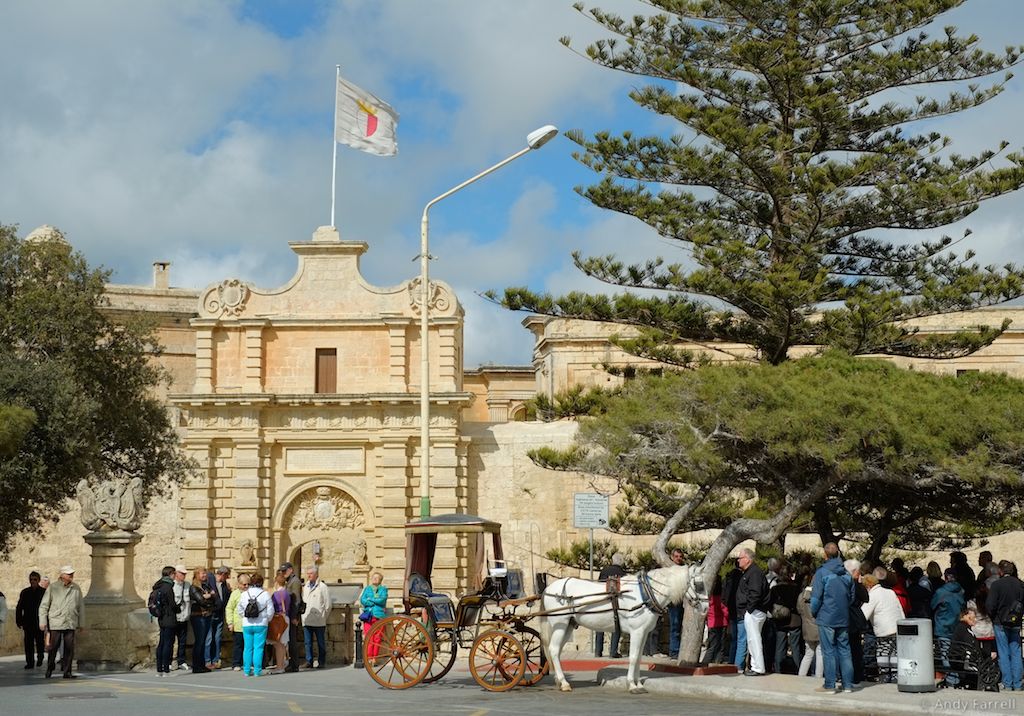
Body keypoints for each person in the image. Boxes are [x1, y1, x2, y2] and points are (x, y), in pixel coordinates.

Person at [810, 542, 856, 694]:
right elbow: (852, 597)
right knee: (845, 650)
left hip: (826, 616)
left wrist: (815, 612)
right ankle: (848, 684)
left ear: (825, 555)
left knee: (828, 651)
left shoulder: (821, 573)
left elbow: (816, 598)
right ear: (838, 554)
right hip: (843, 616)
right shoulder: (847, 574)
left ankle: (830, 685)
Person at [38, 565, 84, 679]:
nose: (71, 576)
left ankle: (67, 671)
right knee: (53, 647)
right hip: (56, 621)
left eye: (72, 573)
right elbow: (44, 606)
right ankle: (50, 668)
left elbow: (81, 606)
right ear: (62, 575)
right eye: (69, 574)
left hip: (70, 621)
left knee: (69, 647)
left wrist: (81, 623)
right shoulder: (53, 587)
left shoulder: (76, 588)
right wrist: (42, 621)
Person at [986, 559, 1024, 691]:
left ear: (1000, 571)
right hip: (1016, 622)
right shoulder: (1020, 584)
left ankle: (1007, 683)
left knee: (1003, 652)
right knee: (1016, 652)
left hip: (1000, 622)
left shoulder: (997, 585)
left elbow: (990, 605)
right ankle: (1018, 683)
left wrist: (993, 616)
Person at [861, 573, 904, 681]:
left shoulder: (872, 595)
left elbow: (863, 615)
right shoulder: (890, 592)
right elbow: (900, 609)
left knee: (883, 654)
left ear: (868, 586)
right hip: (898, 627)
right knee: (895, 654)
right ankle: (895, 677)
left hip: (884, 631)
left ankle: (884, 677)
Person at [733, 547, 769, 676]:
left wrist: (749, 609)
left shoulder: (754, 573)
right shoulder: (751, 572)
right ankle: (755, 666)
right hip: (753, 610)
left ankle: (758, 667)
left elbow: (755, 593)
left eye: (740, 558)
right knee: (752, 640)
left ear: (747, 559)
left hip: (754, 611)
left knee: (754, 640)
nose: (738, 560)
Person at [237, 573, 273, 677]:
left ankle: (247, 670)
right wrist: (267, 619)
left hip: (247, 624)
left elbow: (239, 609)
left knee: (247, 647)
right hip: (261, 623)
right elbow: (270, 610)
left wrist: (244, 616)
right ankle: (257, 670)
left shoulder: (244, 594)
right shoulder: (265, 594)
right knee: (259, 647)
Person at [769, 564, 802, 673]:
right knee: (795, 647)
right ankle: (797, 670)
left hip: (780, 620)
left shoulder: (775, 589)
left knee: (779, 647)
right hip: (795, 619)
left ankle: (778, 670)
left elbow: (770, 604)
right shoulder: (796, 588)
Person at [595, 553, 626, 658]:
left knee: (599, 625)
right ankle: (613, 652)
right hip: (616, 603)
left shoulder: (604, 570)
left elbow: (598, 585)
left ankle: (598, 651)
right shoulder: (622, 573)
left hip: (602, 601)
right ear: (622, 562)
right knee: (616, 626)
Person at [190, 567, 219, 672]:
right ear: (197, 575)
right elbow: (201, 601)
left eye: (205, 574)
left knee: (203, 641)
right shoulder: (194, 587)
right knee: (199, 641)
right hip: (198, 616)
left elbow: (214, 598)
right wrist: (208, 597)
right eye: (202, 574)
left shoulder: (205, 586)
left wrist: (209, 596)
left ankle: (202, 665)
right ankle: (196, 666)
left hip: (207, 615)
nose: (205, 575)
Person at [302, 565, 331, 669]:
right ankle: (309, 661)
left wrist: (323, 616)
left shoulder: (323, 587)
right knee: (307, 642)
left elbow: (328, 605)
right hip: (307, 618)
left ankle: (321, 661)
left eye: (311, 573)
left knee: (320, 642)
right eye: (308, 573)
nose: (309, 575)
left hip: (319, 619)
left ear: (316, 574)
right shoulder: (305, 586)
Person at [15, 571, 45, 669]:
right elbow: (19, 607)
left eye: (35, 579)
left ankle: (40, 657)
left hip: (39, 622)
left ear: (39, 580)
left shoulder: (43, 592)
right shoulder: (25, 592)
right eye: (31, 579)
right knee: (28, 644)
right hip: (28, 622)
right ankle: (30, 662)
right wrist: (18, 620)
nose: (33, 581)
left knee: (40, 642)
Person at [152, 566, 178, 676]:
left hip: (161, 617)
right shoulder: (168, 587)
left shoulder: (159, 585)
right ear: (170, 574)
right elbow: (172, 605)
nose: (175, 576)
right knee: (168, 644)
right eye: (174, 574)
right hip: (169, 618)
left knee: (161, 643)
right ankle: (166, 670)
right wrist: (179, 607)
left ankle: (159, 669)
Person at [796, 569, 822, 677]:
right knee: (820, 653)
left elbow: (799, 610)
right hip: (819, 626)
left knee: (808, 653)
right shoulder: (820, 595)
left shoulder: (801, 595)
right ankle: (818, 676)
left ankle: (801, 675)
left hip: (807, 627)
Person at [279, 562, 303, 672]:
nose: (283, 573)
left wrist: (294, 617)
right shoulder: (290, 581)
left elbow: (296, 601)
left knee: (292, 640)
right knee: (289, 640)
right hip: (289, 614)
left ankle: (294, 665)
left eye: (285, 571)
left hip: (293, 615)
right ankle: (292, 663)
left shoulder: (295, 582)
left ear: (291, 570)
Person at [267, 571, 291, 673]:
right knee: (283, 643)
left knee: (278, 644)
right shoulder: (287, 593)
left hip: (278, 619)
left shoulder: (276, 594)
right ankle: (282, 664)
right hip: (286, 618)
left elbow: (271, 607)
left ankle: (279, 666)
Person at [361, 571, 388, 659]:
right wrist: (373, 601)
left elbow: (382, 600)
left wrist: (371, 599)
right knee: (369, 637)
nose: (374, 579)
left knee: (377, 638)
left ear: (380, 580)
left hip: (379, 616)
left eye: (377, 578)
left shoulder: (383, 589)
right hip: (368, 616)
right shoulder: (367, 589)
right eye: (373, 577)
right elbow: (363, 600)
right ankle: (369, 657)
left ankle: (375, 658)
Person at [225, 573, 250, 671]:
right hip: (238, 624)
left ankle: (247, 663)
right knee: (238, 645)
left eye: (248, 584)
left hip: (249, 624)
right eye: (244, 584)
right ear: (239, 584)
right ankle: (236, 663)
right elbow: (229, 608)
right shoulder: (235, 594)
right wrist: (230, 622)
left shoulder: (250, 592)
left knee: (248, 645)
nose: (246, 586)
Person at [208, 565, 231, 669]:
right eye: (227, 576)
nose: (228, 578)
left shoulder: (224, 585)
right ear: (222, 574)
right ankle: (208, 660)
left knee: (217, 638)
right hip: (211, 614)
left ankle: (216, 659)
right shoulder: (210, 582)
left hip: (220, 614)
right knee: (209, 638)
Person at [705, 574, 729, 664]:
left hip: (711, 623)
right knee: (720, 645)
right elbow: (725, 611)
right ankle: (717, 661)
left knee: (712, 644)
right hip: (722, 623)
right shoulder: (720, 599)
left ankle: (707, 661)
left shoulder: (709, 598)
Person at [171, 565, 191, 670]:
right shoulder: (172, 585)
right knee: (171, 640)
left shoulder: (187, 585)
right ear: (176, 574)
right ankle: (169, 661)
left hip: (184, 617)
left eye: (185, 574)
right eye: (182, 573)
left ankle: (181, 661)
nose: (184, 575)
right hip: (174, 618)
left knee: (182, 641)